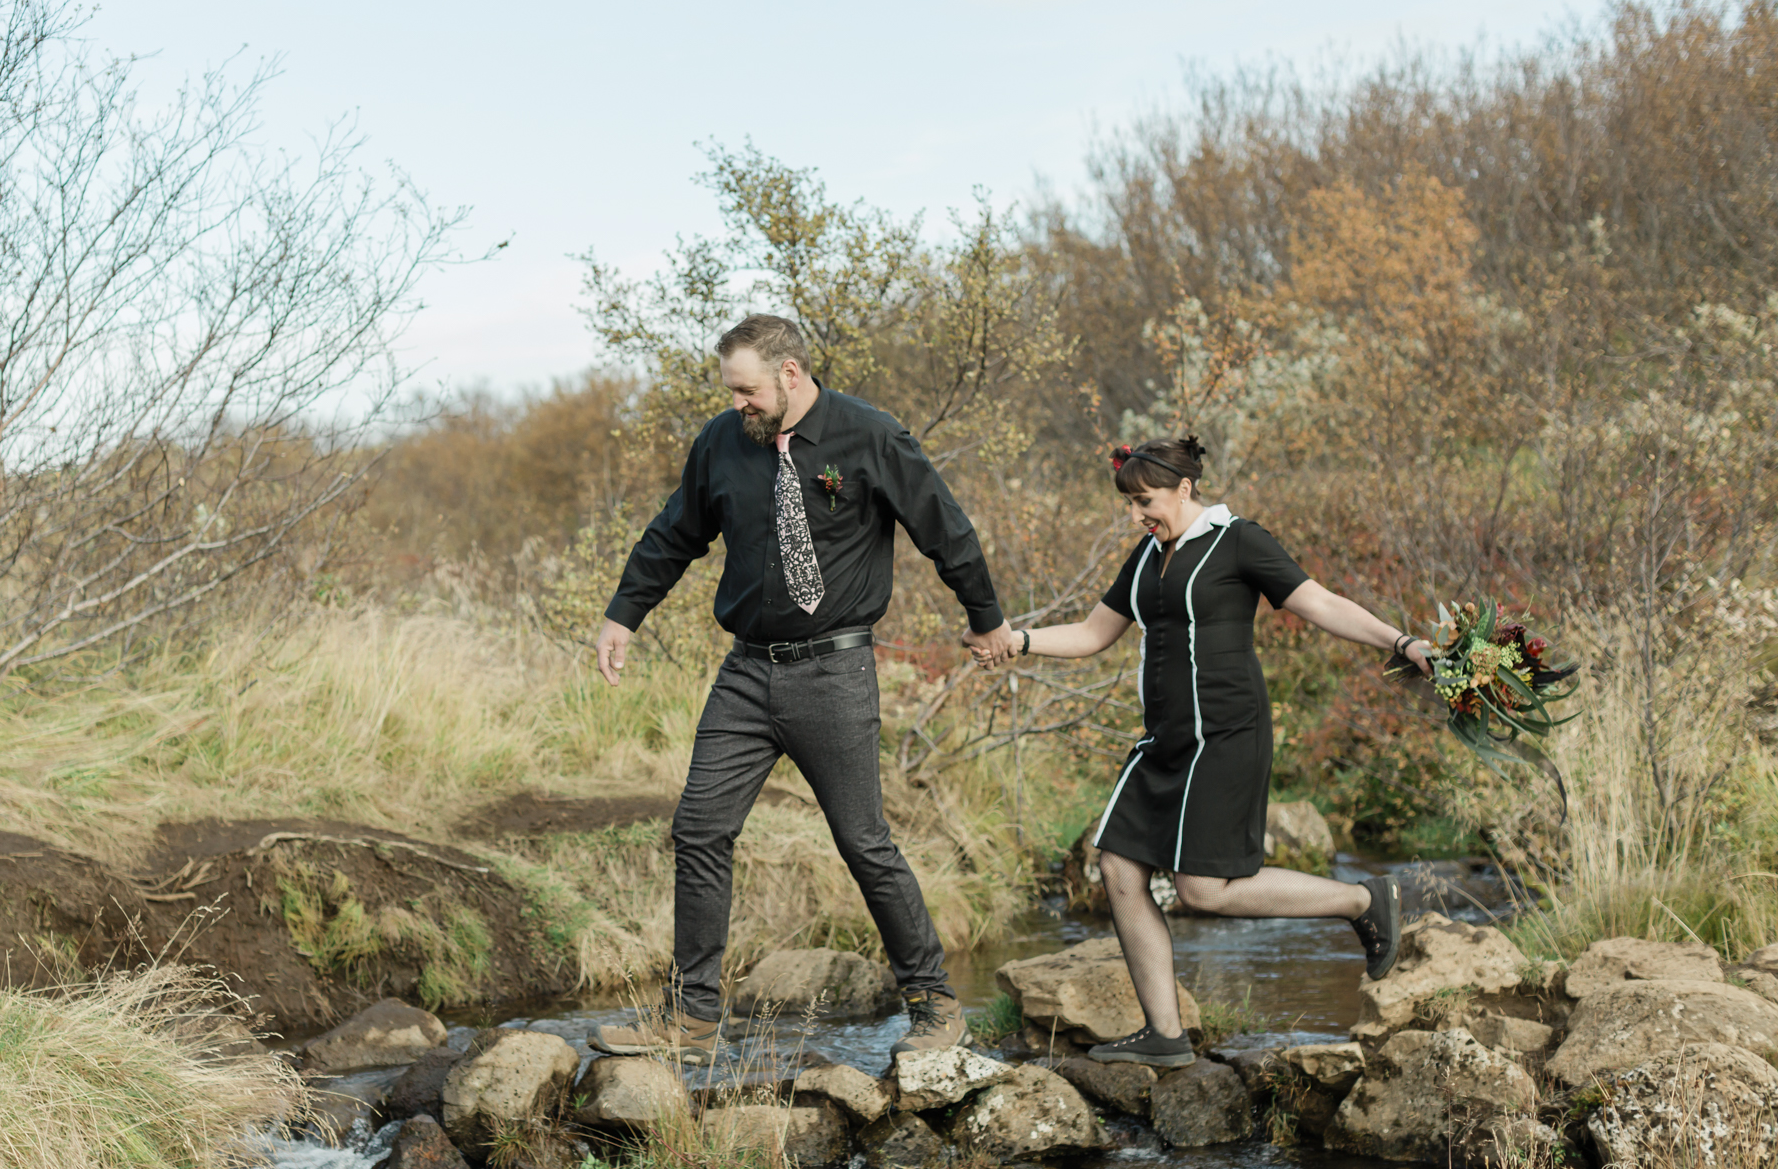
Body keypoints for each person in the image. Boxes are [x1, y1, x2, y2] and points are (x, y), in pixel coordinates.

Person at [590, 313, 1018, 1063]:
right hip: (746, 673)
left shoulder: (870, 435)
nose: (737, 405)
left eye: (747, 390)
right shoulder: (723, 443)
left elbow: (943, 528)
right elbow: (674, 533)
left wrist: (984, 619)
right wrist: (625, 613)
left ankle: (934, 1006)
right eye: (731, 391)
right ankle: (691, 1022)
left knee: (863, 842)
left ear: (790, 374)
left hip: (834, 673)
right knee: (699, 830)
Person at [964, 438, 1432, 1069]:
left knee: (1204, 891)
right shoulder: (1147, 556)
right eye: (1129, 504)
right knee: (1119, 868)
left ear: (1184, 489)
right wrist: (1016, 641)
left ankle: (1362, 900)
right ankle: (1165, 1034)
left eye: (1144, 502)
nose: (1136, 516)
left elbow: (1319, 603)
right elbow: (1093, 633)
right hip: (1165, 739)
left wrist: (1401, 642)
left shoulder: (1239, 541)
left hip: (1226, 734)